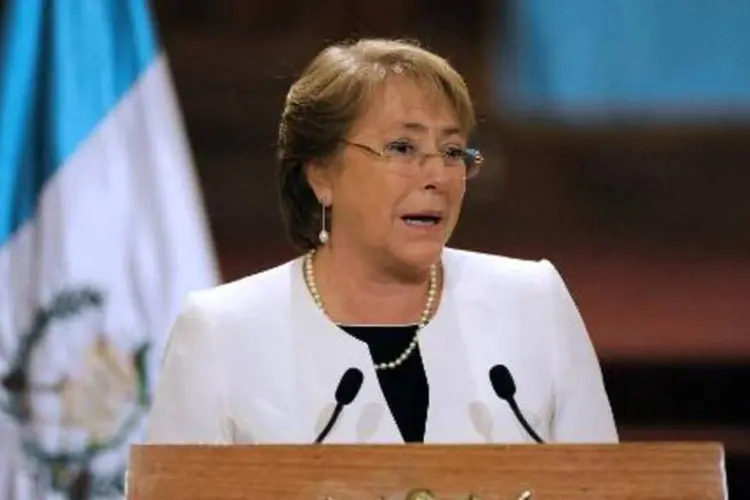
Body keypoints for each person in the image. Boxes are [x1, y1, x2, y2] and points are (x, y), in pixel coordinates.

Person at [144, 38, 618, 445]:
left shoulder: (534, 302)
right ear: (321, 175)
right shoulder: (222, 332)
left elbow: (604, 489)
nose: (437, 175)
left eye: (452, 151)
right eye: (402, 148)